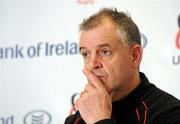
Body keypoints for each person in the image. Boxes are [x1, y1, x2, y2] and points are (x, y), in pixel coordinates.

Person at [64, 8, 180, 124]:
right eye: (86, 54)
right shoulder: (78, 119)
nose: (92, 64)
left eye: (105, 52)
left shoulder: (171, 115)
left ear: (135, 56)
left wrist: (100, 121)